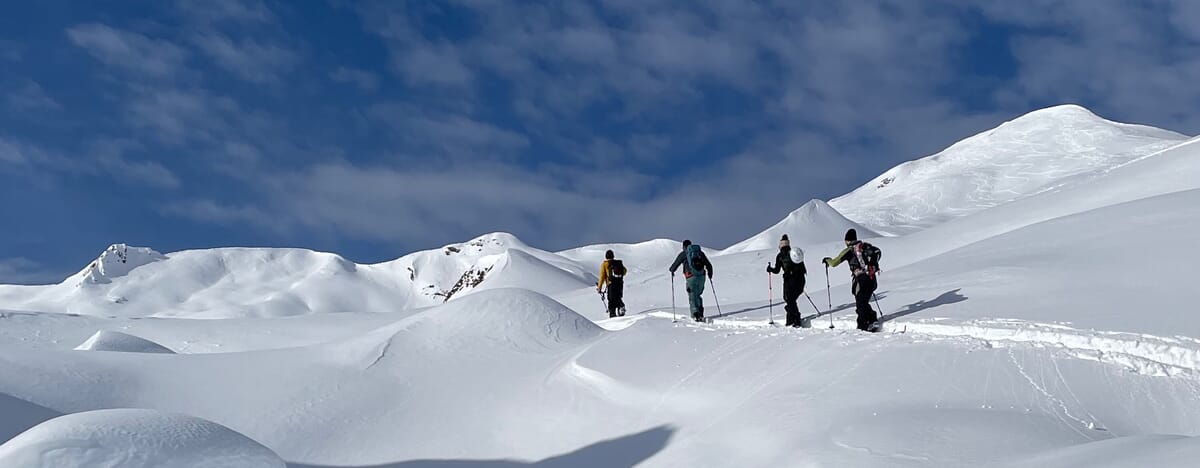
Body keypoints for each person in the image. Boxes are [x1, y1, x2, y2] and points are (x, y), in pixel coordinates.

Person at [822, 229, 881, 332]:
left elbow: (834, 263)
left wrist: (827, 260)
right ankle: (872, 319)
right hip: (871, 277)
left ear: (847, 240)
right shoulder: (865, 246)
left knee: (860, 304)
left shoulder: (849, 250)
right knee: (863, 302)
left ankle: (862, 326)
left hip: (861, 280)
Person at [669, 240, 713, 322]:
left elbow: (674, 265)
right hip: (702, 277)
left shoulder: (684, 253)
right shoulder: (699, 253)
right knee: (698, 294)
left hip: (690, 277)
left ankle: (695, 314)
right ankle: (700, 312)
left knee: (692, 295)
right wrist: (710, 275)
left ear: (684, 246)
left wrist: (672, 270)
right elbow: (709, 265)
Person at [767, 234, 807, 327]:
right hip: (800, 279)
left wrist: (770, 269)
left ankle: (794, 320)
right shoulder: (794, 253)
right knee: (791, 300)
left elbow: (777, 270)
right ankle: (791, 319)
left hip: (789, 281)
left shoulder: (780, 256)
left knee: (789, 299)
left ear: (780, 245)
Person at [597, 250, 626, 318]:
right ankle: (621, 308)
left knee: (611, 299)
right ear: (613, 256)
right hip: (619, 283)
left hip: (611, 284)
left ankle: (613, 314)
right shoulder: (618, 263)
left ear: (606, 256)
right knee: (618, 296)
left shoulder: (604, 264)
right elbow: (624, 271)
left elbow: (602, 277)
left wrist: (599, 287)